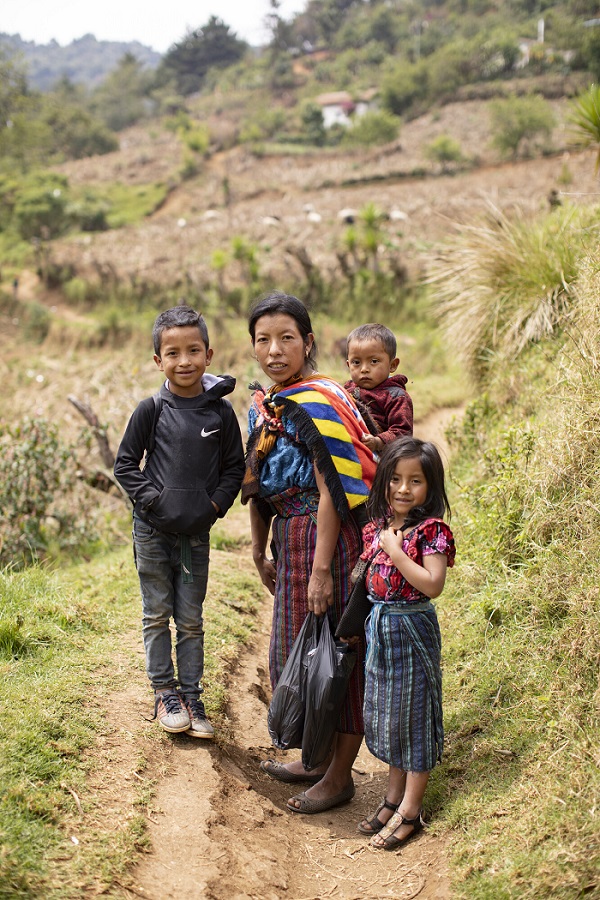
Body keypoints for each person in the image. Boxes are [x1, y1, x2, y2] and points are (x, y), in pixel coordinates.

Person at [242, 291, 377, 814]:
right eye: (263, 340)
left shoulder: (316, 402)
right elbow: (257, 486)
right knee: (295, 656)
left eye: (287, 338)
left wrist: (322, 571)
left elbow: (331, 492)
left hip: (330, 544)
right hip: (290, 541)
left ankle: (339, 777)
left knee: (339, 656)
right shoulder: (270, 403)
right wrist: (258, 552)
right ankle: (314, 759)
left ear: (309, 342)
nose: (274, 349)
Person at [114, 305, 245, 738]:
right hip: (152, 531)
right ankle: (164, 692)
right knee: (157, 614)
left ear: (209, 354)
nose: (184, 361)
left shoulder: (220, 414)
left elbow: (233, 468)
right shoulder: (151, 409)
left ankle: (191, 696)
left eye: (193, 350)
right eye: (173, 353)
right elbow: (126, 465)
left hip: (195, 535)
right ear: (158, 360)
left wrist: (213, 507)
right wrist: (153, 501)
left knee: (190, 619)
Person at [356, 436, 455, 850]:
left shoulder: (431, 531)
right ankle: (393, 797)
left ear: (430, 487)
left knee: (412, 717)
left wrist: (396, 554)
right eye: (395, 479)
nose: (402, 489)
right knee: (391, 716)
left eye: (415, 481)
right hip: (379, 628)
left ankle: (411, 811)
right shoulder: (380, 527)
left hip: (411, 629)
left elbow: (432, 584)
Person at [344, 323, 413, 454]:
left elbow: (403, 433)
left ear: (392, 365)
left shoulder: (396, 397)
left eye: (374, 361)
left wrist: (378, 442)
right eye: (356, 362)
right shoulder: (346, 390)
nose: (364, 369)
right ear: (348, 365)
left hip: (381, 459)